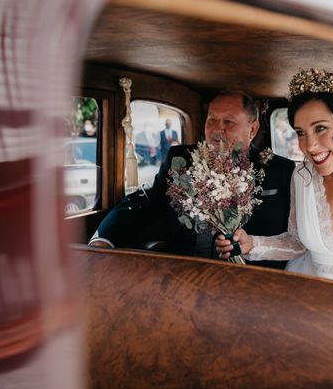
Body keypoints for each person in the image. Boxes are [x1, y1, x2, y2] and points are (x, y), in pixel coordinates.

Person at [216, 69, 333, 320]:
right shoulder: (302, 178)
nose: (309, 145)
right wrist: (252, 244)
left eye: (321, 128)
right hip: (315, 314)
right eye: (300, 133)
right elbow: (297, 244)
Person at [90, 91, 295, 269]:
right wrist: (104, 239)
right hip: (184, 272)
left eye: (229, 122)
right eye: (211, 120)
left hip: (252, 281)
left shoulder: (279, 170)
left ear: (253, 129)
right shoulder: (180, 160)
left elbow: (292, 236)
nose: (217, 130)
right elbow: (144, 202)